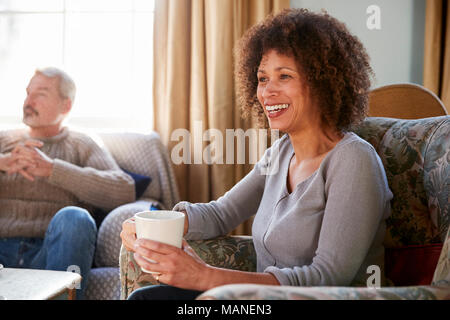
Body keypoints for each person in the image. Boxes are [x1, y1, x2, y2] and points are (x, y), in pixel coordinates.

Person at [120, 8, 393, 300]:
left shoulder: (354, 160)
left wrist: (204, 276)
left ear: (322, 82)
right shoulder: (280, 152)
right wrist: (150, 223)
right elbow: (222, 214)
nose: (267, 92)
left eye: (284, 76)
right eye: (262, 79)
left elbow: (326, 276)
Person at [0, 67, 136, 299]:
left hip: (52, 253)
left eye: (40, 94)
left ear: (66, 106)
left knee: (76, 217)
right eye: (27, 93)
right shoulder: (4, 141)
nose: (28, 101)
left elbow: (124, 189)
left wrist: (53, 169)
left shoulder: (81, 144)